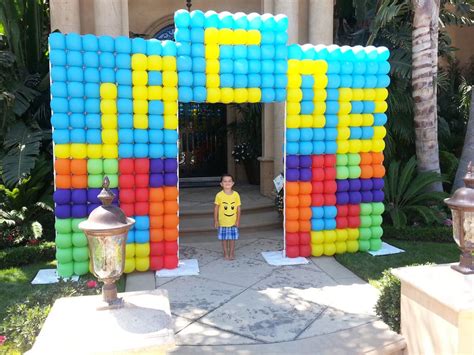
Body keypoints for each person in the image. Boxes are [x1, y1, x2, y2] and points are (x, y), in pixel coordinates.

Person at [214, 174, 241, 260]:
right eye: (225, 181)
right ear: (221, 184)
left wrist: (238, 220)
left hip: (233, 222)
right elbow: (216, 208)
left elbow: (238, 208)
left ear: (233, 183)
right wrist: (216, 221)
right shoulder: (219, 195)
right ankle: (225, 253)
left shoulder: (236, 195)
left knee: (232, 239)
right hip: (223, 222)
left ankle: (232, 253)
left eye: (229, 181)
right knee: (224, 239)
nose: (227, 183)